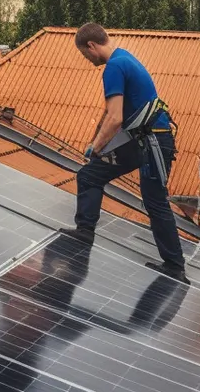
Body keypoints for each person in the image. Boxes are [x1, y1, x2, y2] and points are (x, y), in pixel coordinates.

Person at [59, 22, 188, 283]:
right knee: (89, 176)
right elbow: (110, 113)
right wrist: (97, 142)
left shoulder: (114, 67)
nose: (87, 59)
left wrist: (96, 148)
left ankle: (175, 267)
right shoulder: (123, 58)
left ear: (92, 45)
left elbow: (116, 118)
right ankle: (85, 231)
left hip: (153, 142)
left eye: (85, 54)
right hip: (142, 139)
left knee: (155, 201)